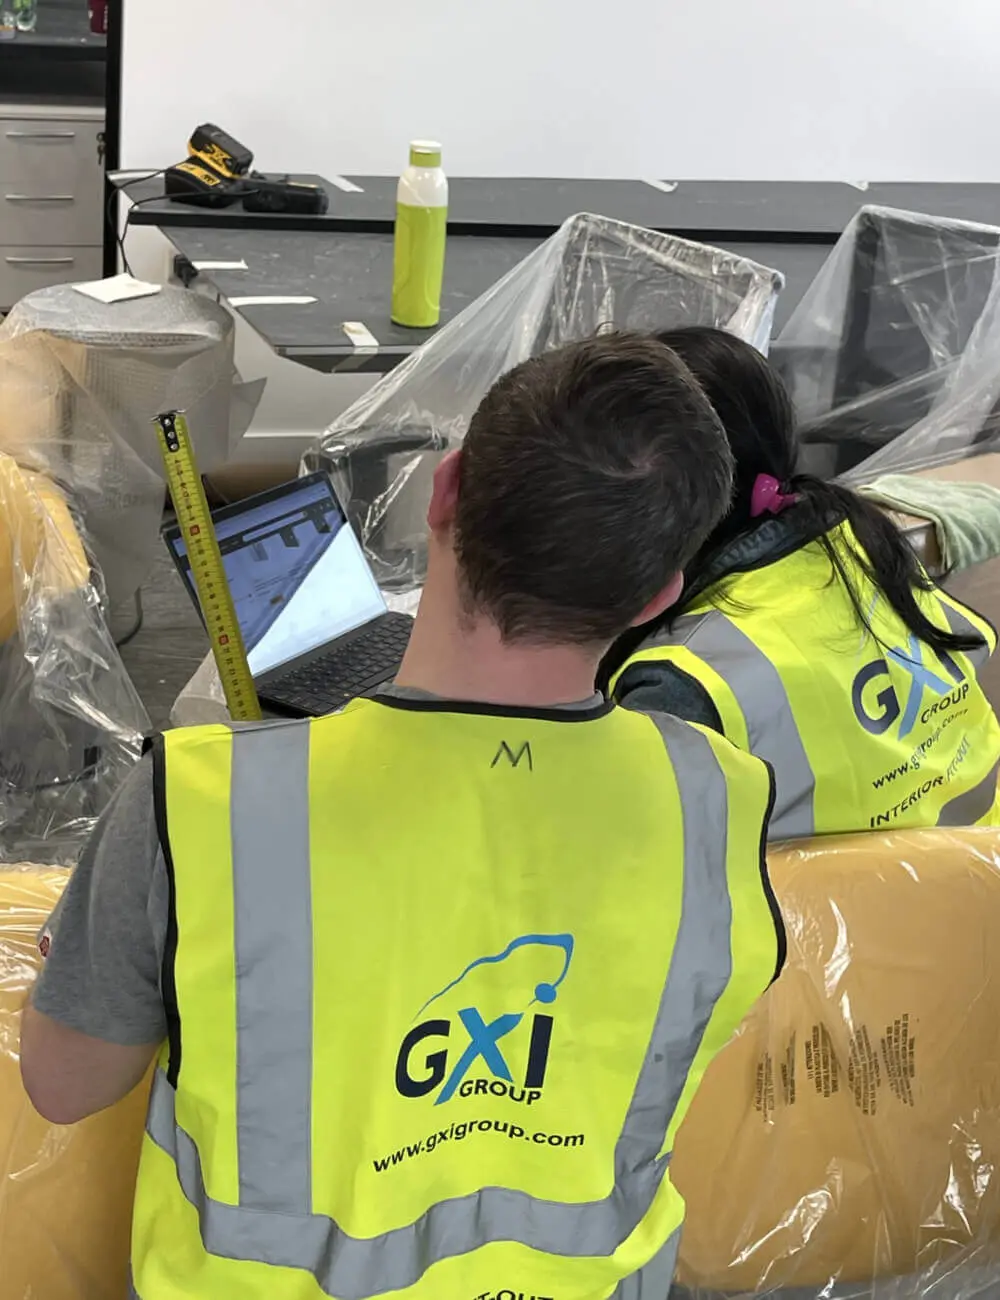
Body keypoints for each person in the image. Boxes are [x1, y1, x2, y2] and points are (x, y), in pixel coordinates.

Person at [20, 334, 784, 1300]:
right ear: (661, 595)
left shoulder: (202, 804)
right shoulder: (718, 801)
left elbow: (64, 1084)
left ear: (446, 490)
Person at [603, 325, 1000, 842]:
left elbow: (636, 862)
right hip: (977, 857)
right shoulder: (858, 535)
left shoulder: (680, 682)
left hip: (861, 915)